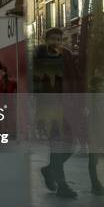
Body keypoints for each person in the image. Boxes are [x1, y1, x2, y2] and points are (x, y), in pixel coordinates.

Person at [35, 28, 82, 198]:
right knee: (57, 146)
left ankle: (49, 170)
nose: (56, 42)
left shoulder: (67, 55)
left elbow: (76, 78)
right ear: (46, 40)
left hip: (68, 107)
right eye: (53, 39)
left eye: (59, 39)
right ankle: (62, 185)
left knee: (71, 146)